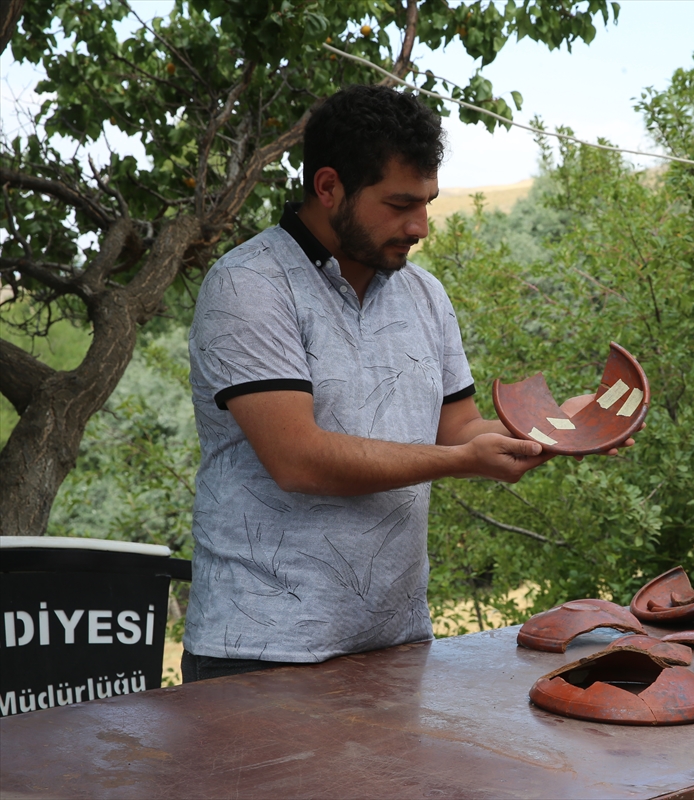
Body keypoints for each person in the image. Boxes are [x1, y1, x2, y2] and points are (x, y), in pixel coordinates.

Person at [184, 85, 624, 683]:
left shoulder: (425, 295)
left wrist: (559, 428)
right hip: (261, 651)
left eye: (427, 202)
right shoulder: (248, 286)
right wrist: (460, 461)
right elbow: (298, 458)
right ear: (329, 186)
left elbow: (461, 429)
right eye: (398, 204)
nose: (419, 226)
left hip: (396, 645)